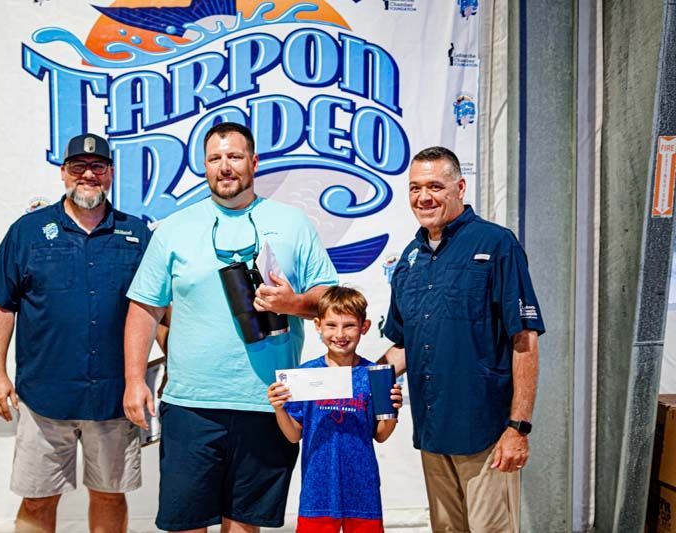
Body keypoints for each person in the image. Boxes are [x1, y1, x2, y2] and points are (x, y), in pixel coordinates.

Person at [123, 121, 338, 533]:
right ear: (204, 166)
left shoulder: (293, 224)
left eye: (235, 157)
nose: (225, 167)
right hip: (191, 404)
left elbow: (328, 299)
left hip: (268, 402)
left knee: (243, 526)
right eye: (215, 158)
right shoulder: (173, 230)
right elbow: (144, 309)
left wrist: (292, 303)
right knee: (186, 523)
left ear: (254, 163)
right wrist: (135, 379)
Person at [0, 133, 153, 533]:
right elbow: (2, 304)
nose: (88, 175)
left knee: (110, 495)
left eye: (97, 167)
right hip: (44, 397)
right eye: (78, 167)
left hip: (113, 397)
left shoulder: (137, 235)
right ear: (63, 173)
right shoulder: (28, 232)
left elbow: (157, 310)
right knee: (38, 499)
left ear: (109, 174)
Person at [381, 146, 545, 532]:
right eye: (415, 188)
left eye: (436, 186)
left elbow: (525, 340)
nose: (424, 197)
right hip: (433, 433)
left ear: (460, 187)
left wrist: (518, 428)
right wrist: (352, 380)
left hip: (487, 434)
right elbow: (402, 346)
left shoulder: (496, 244)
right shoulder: (409, 260)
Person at [268, 286, 402, 533]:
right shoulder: (305, 375)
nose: (340, 334)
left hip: (363, 493)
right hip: (317, 494)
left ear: (364, 326)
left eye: (349, 325)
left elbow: (381, 434)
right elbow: (293, 434)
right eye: (331, 325)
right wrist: (279, 408)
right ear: (318, 325)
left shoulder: (374, 376)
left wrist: (392, 411)